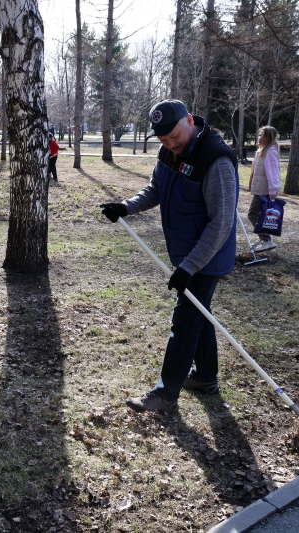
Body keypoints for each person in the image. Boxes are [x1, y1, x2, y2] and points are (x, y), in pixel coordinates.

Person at [99, 99, 239, 413]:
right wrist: (125, 206)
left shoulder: (215, 160)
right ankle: (205, 377)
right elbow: (156, 189)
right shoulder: (168, 152)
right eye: (163, 140)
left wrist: (189, 267)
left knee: (185, 322)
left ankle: (165, 393)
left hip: (207, 256)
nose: (170, 143)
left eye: (174, 135)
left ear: (190, 120)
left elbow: (221, 223)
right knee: (199, 315)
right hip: (186, 253)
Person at [248, 126, 281, 252]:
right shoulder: (261, 151)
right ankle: (265, 239)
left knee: (252, 214)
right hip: (261, 188)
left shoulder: (270, 153)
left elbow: (273, 173)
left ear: (269, 138)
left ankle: (267, 240)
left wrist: (272, 190)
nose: (260, 138)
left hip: (265, 189)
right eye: (259, 135)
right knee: (259, 214)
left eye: (263, 136)